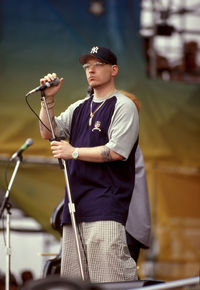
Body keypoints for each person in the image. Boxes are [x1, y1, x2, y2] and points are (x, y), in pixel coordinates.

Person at [39, 46, 139, 282]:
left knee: (110, 279)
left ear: (114, 70)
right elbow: (47, 132)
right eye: (87, 66)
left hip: (105, 204)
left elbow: (115, 151)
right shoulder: (79, 107)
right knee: (75, 282)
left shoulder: (123, 105)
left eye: (98, 65)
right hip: (75, 206)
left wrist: (73, 152)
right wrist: (48, 99)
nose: (91, 70)